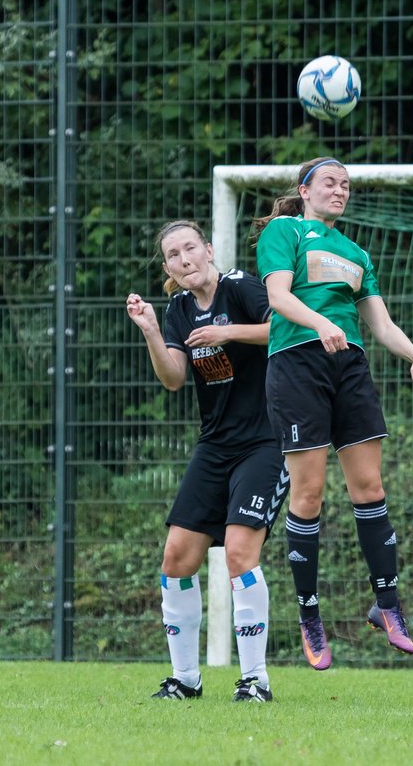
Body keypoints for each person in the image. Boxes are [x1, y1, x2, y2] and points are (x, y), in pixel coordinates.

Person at [251, 157, 413, 670]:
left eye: (346, 184)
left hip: (348, 365)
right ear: (305, 190)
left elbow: (381, 324)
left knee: (370, 489)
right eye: (330, 182)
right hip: (296, 364)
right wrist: (318, 324)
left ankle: (387, 605)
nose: (340, 190)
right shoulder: (285, 230)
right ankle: (310, 616)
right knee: (309, 494)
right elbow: (278, 296)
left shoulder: (355, 252)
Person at [126, 219, 288, 703]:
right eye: (173, 255)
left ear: (209, 249)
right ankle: (185, 680)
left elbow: (281, 326)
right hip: (215, 446)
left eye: (190, 248)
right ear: (168, 267)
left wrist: (227, 332)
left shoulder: (240, 287)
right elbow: (174, 377)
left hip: (265, 441)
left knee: (240, 554)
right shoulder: (177, 308)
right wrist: (154, 331)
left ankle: (255, 680)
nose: (184, 259)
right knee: (176, 559)